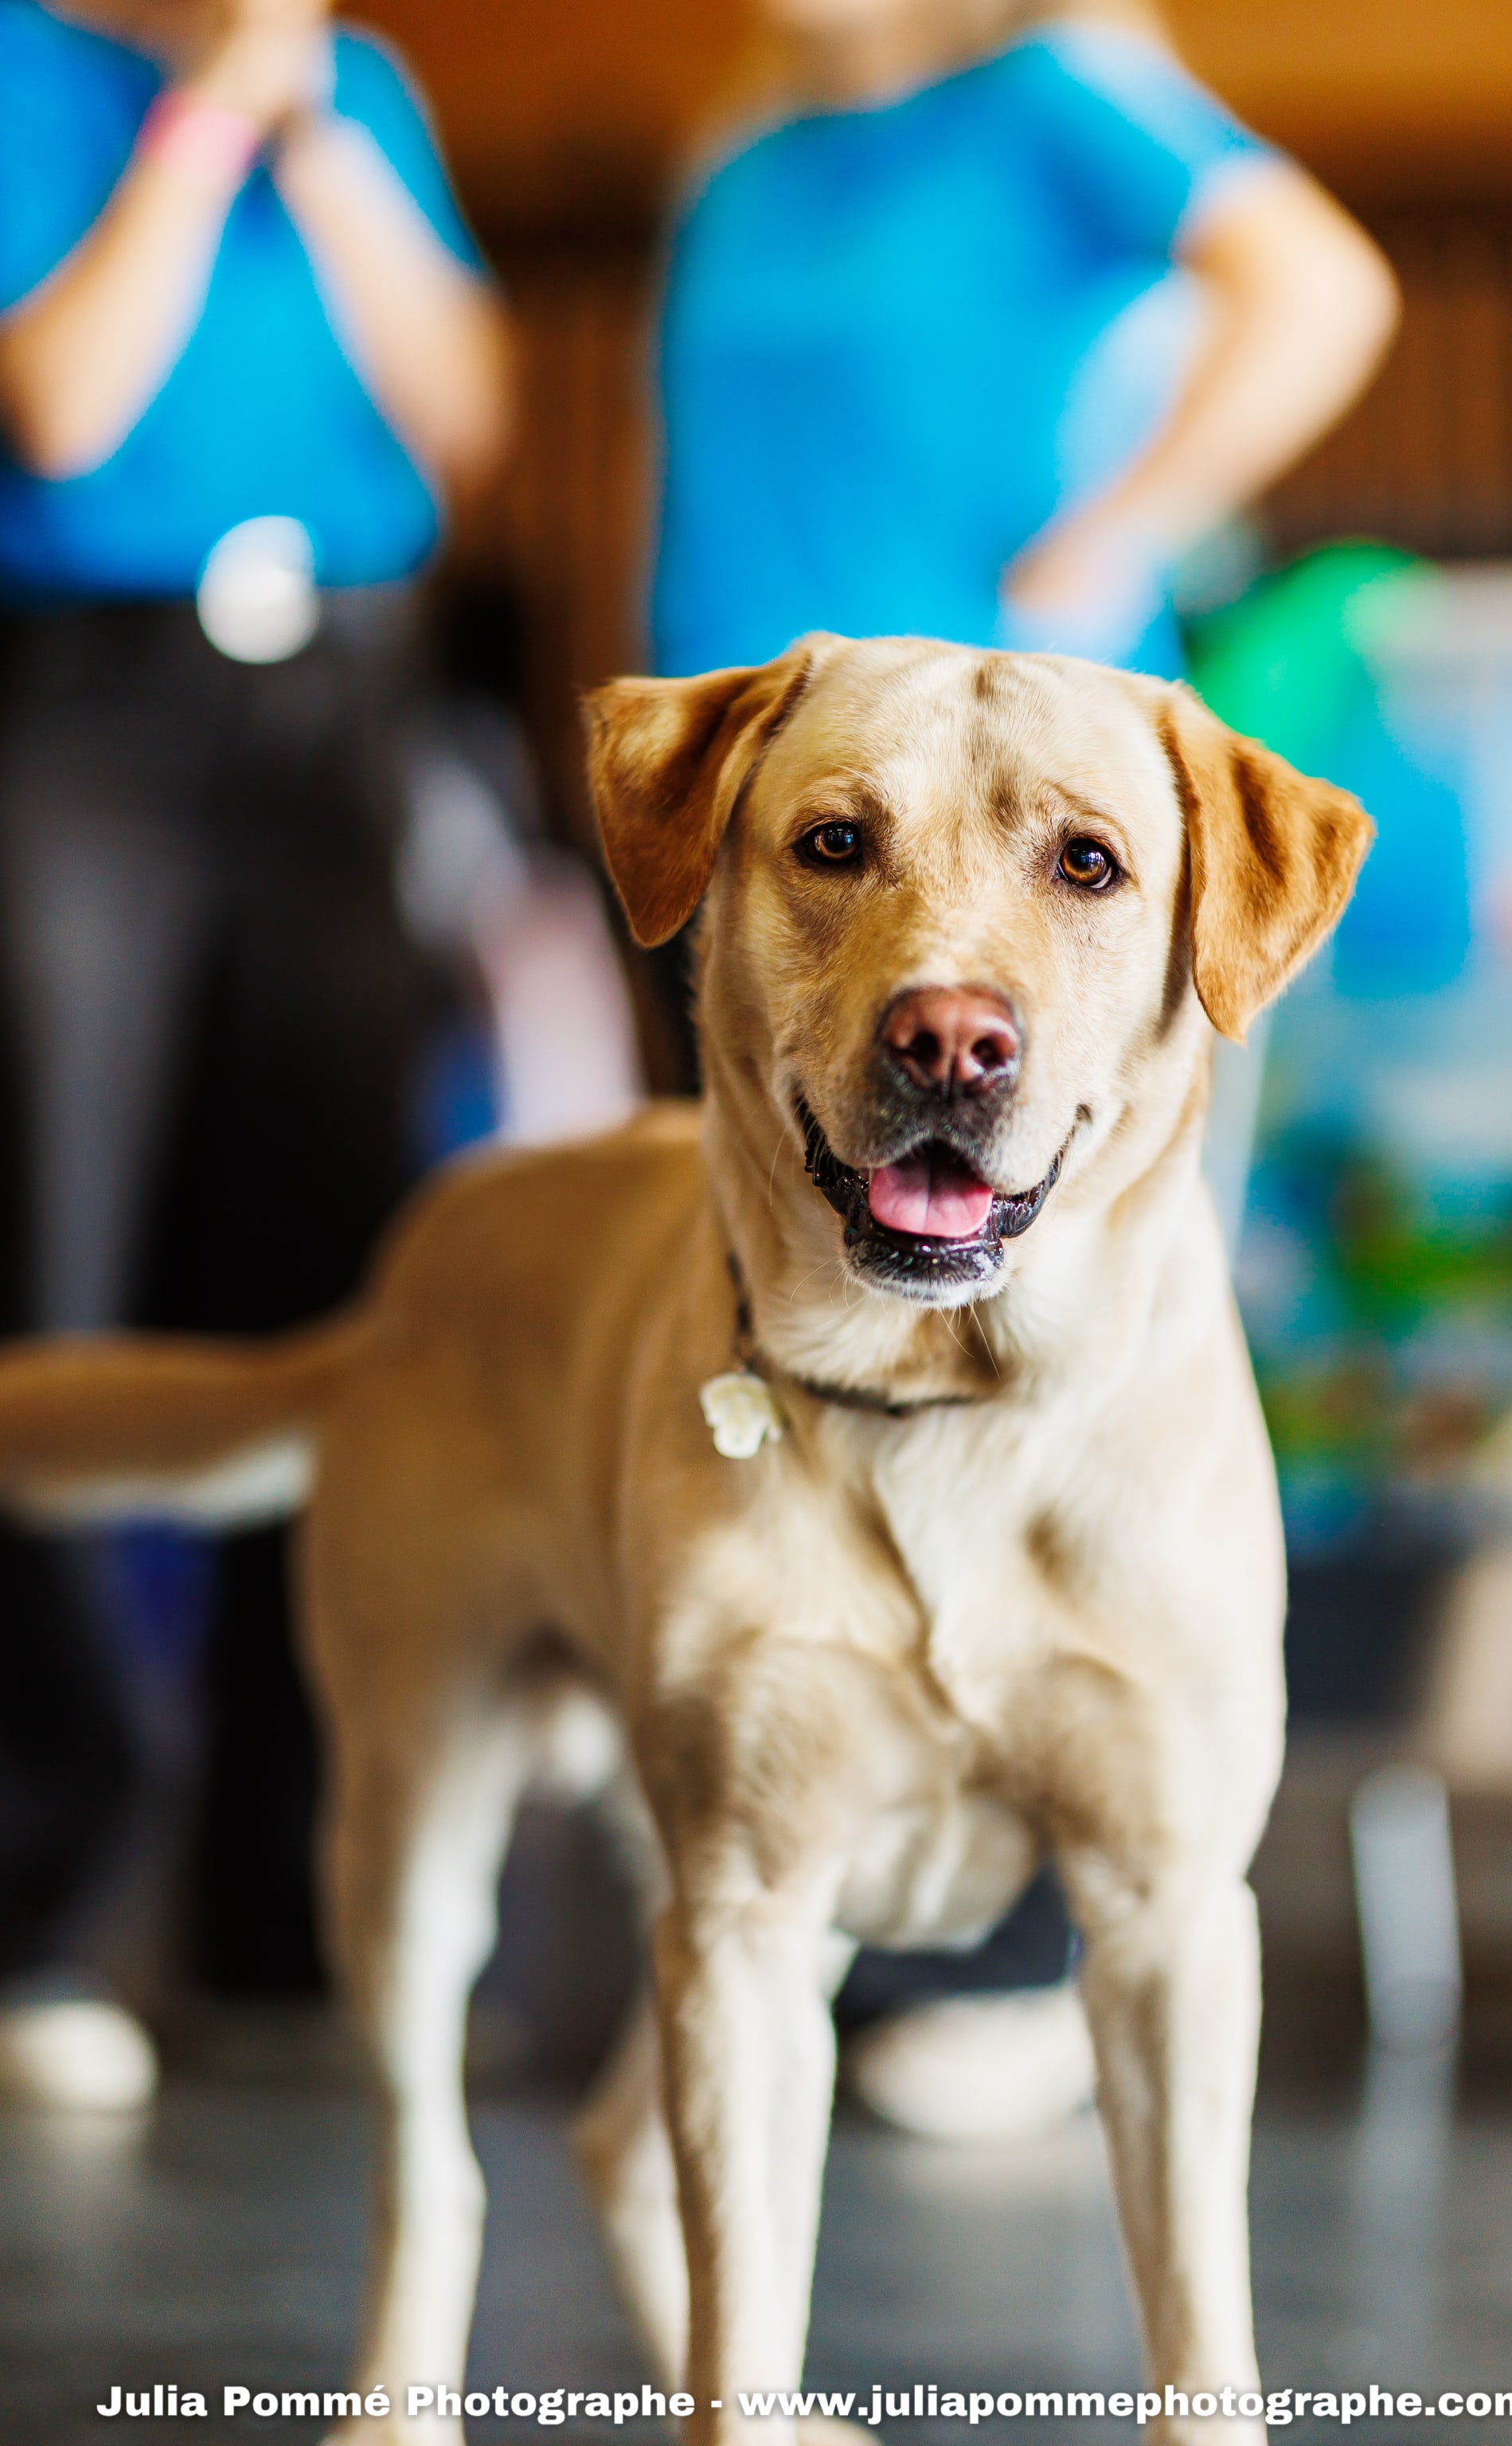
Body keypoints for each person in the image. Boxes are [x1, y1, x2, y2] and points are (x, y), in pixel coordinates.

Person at [650, 0, 1397, 2136]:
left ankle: (1022, 1952)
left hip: (1022, 848)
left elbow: (1323, 289)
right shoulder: (741, 151)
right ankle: (805, 1897)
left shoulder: (1063, 87)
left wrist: (1106, 538)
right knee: (786, 1390)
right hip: (771, 842)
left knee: (1069, 1386)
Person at [0, 0, 510, 2104]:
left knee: (330, 1296)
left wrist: (319, 136)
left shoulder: (361, 85)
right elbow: (61, 407)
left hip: (339, 707)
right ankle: (39, 1913)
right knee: (51, 1279)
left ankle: (306, 1907)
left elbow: (468, 424)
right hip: (74, 713)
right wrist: (209, 118)